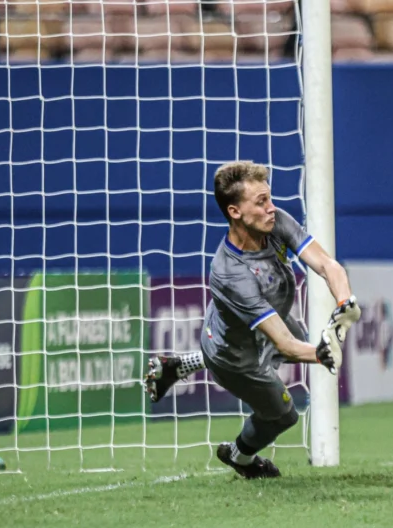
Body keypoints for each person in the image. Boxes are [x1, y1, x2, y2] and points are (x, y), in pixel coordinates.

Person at [145, 161, 360, 479]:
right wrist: (321, 354)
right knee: (284, 416)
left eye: (269, 198)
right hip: (235, 359)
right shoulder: (230, 273)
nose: (271, 208)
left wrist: (346, 302)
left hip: (247, 327)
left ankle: (176, 367)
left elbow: (328, 265)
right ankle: (240, 457)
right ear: (235, 212)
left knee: (299, 331)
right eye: (261, 202)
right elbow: (284, 345)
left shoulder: (274, 222)